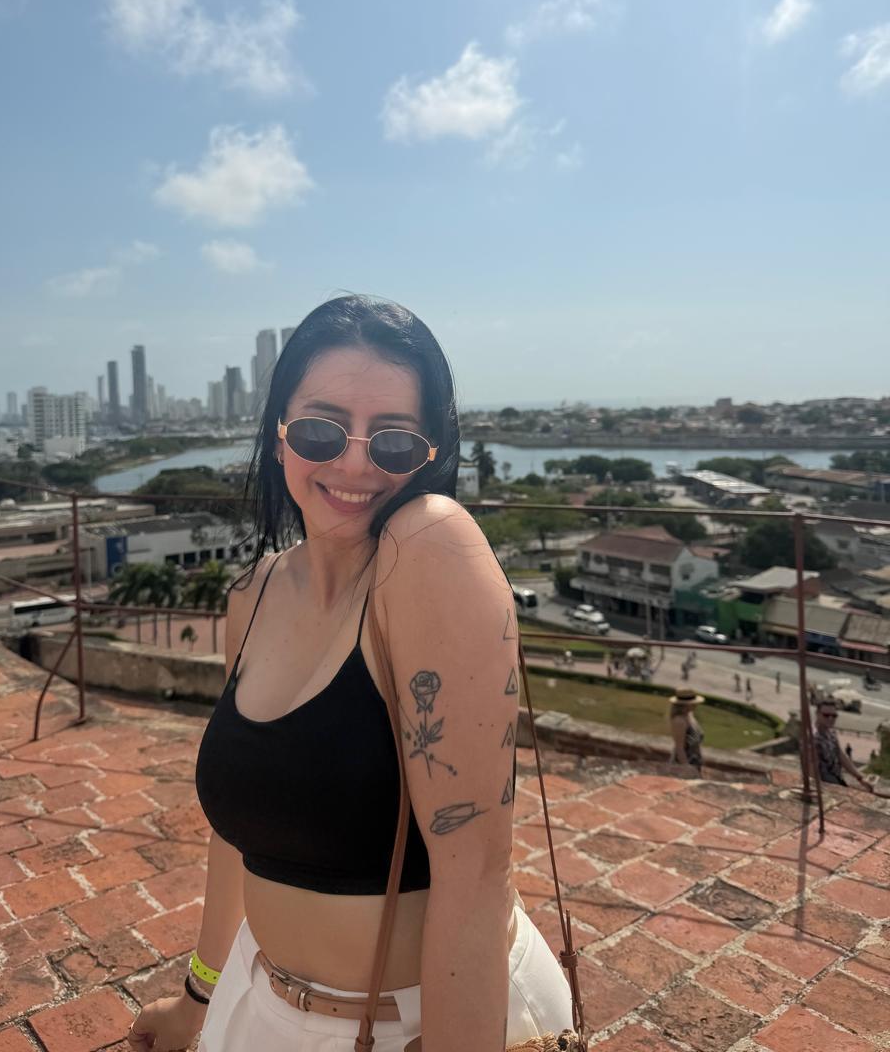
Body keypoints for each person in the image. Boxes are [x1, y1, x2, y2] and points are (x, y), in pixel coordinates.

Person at [127, 296, 576, 1052]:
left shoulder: (429, 548)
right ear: (279, 436)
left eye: (393, 440)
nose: (356, 462)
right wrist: (199, 998)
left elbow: (476, 874)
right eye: (321, 430)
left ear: (429, 455)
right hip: (262, 1005)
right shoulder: (254, 595)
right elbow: (237, 839)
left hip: (414, 1023)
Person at [813, 700, 875, 792]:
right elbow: (811, 770)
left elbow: (841, 756)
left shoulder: (831, 733)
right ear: (817, 714)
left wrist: (860, 778)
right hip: (825, 785)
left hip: (837, 780)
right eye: (826, 715)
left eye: (834, 716)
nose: (830, 718)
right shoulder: (813, 738)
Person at [669, 688, 705, 776]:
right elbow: (679, 748)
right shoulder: (679, 721)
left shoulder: (690, 715)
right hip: (683, 763)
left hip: (694, 762)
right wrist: (687, 768)